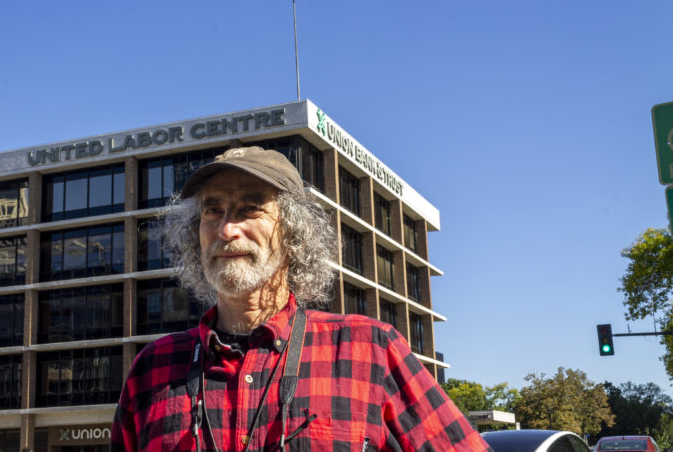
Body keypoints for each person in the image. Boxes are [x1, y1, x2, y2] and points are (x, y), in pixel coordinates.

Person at [111, 146, 489, 451]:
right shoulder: (151, 369)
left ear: (294, 234)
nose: (227, 228)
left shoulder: (370, 351)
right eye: (213, 210)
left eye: (250, 208)